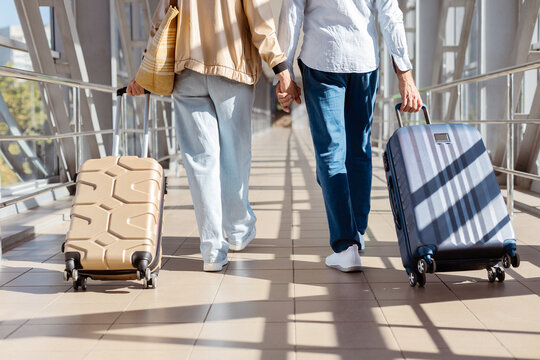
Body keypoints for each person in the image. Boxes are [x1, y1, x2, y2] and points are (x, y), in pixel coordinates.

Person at [128, 0, 299, 272]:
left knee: (200, 162)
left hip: (187, 71)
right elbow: (259, 20)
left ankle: (212, 251)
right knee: (235, 155)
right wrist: (280, 67)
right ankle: (239, 231)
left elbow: (161, 20)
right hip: (233, 69)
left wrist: (145, 72)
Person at [275, 0, 422, 272]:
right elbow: (390, 12)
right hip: (364, 61)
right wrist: (405, 73)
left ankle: (346, 245)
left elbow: (292, 14)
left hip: (322, 59)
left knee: (331, 155)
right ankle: (358, 232)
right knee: (359, 152)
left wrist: (283, 73)